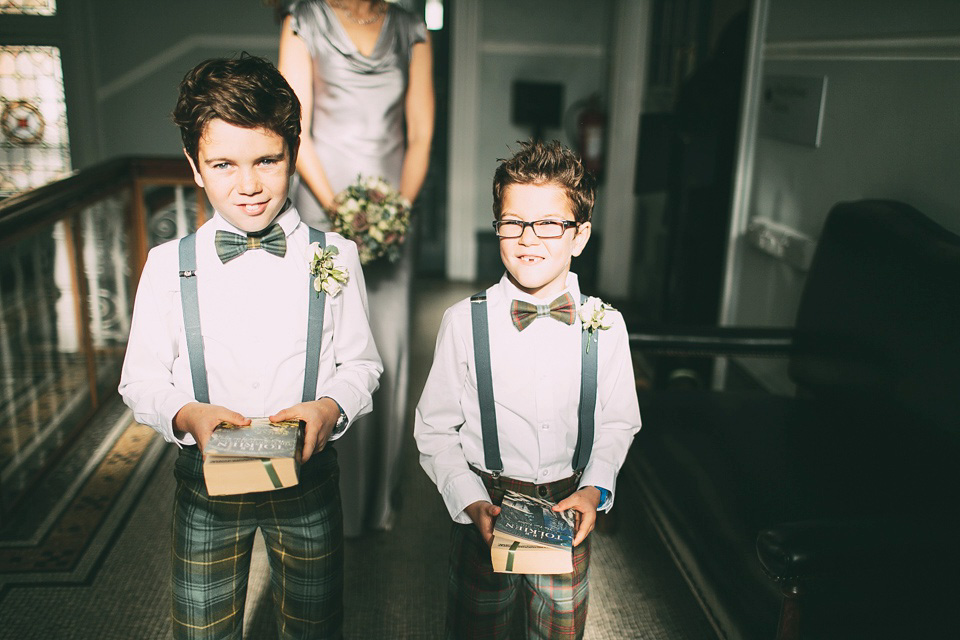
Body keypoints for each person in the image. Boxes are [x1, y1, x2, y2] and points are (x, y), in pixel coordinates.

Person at [118, 55, 382, 639]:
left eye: (267, 160)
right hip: (207, 487)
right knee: (202, 628)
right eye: (224, 164)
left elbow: (362, 363)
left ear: (293, 152)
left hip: (307, 483)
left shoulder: (334, 256)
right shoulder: (167, 267)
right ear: (194, 165)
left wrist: (329, 407)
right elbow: (140, 380)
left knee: (314, 626)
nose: (249, 185)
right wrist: (188, 413)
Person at [414, 140, 642, 638]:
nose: (527, 239)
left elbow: (619, 420)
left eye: (548, 224)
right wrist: (469, 499)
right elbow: (434, 430)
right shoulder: (462, 322)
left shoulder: (607, 325)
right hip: (487, 507)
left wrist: (595, 488)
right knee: (476, 628)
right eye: (513, 222)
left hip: (569, 508)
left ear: (579, 236)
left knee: (560, 630)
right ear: (496, 226)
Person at [277, 0, 435, 537]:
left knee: (385, 350)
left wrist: (394, 216)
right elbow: (294, 127)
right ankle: (324, 494)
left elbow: (420, 133)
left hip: (393, 214)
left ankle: (376, 502)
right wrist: (342, 212)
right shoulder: (303, 20)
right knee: (326, 349)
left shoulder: (411, 27)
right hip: (325, 204)